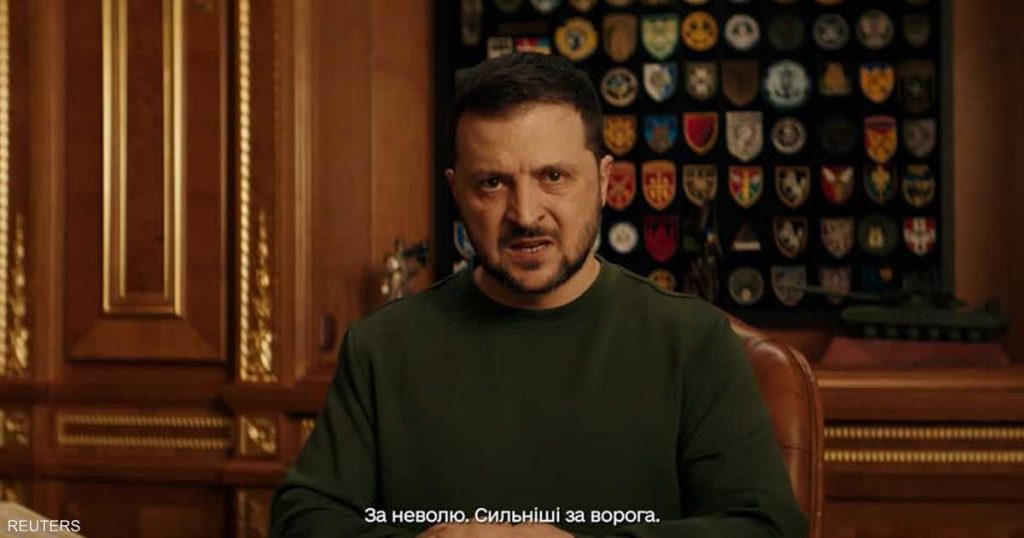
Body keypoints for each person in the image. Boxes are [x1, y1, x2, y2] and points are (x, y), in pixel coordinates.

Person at [270, 53, 808, 538]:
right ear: (456, 191)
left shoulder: (693, 342)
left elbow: (766, 526)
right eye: (492, 183)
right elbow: (303, 519)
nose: (525, 214)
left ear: (603, 181)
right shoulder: (381, 347)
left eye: (553, 176)